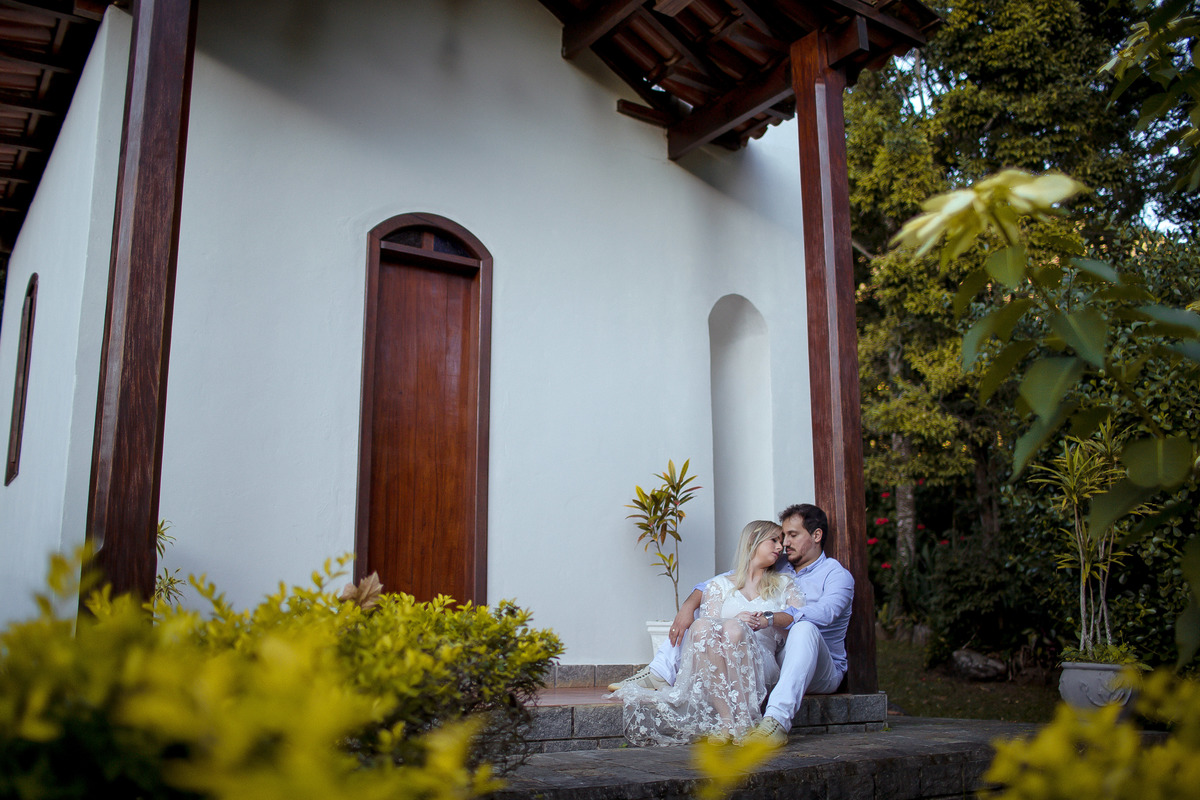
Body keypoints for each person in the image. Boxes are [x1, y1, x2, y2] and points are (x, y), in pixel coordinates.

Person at [610, 503, 853, 747]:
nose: (785, 544)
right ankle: (660, 672)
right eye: (780, 538)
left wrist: (770, 617)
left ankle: (776, 721)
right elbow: (722, 582)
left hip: (821, 666)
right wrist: (687, 607)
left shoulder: (836, 575)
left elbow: (825, 613)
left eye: (792, 535)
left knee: (804, 627)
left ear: (816, 535)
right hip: (783, 656)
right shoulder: (780, 564)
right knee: (706, 617)